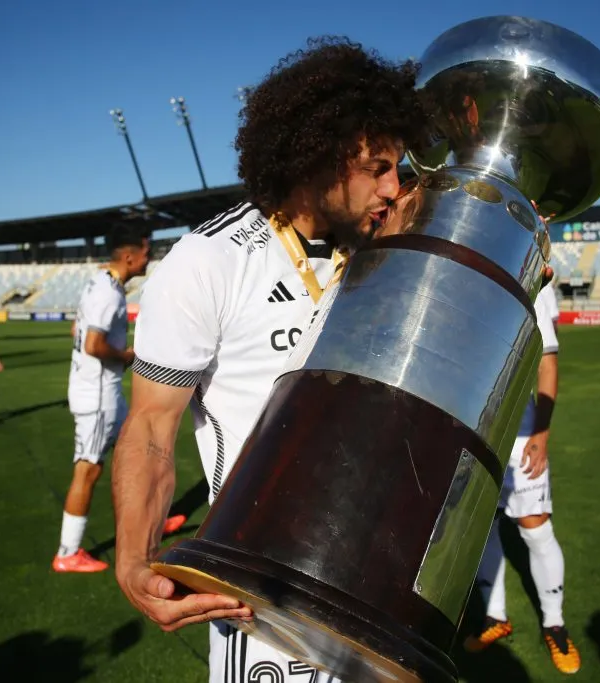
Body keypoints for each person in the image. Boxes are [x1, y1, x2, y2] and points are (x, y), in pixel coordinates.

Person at [110, 37, 427, 682]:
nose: (395, 188)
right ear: (319, 156)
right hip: (265, 607)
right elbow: (150, 426)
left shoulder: (389, 253)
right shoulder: (211, 260)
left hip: (383, 593)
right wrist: (133, 557)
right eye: (379, 167)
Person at [464, 265, 581, 675]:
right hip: (469, 426)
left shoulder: (530, 279)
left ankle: (555, 623)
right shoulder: (461, 275)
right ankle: (495, 617)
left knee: (534, 527)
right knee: (482, 527)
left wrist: (542, 433)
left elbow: (546, 363)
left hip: (519, 432)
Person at [53, 228, 168, 572]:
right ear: (129, 257)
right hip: (97, 394)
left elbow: (78, 333)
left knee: (134, 451)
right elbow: (92, 345)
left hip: (103, 391)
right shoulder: (109, 293)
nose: (149, 259)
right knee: (88, 470)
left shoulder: (99, 283)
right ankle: (67, 553)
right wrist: (126, 355)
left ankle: (153, 519)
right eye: (146, 253)